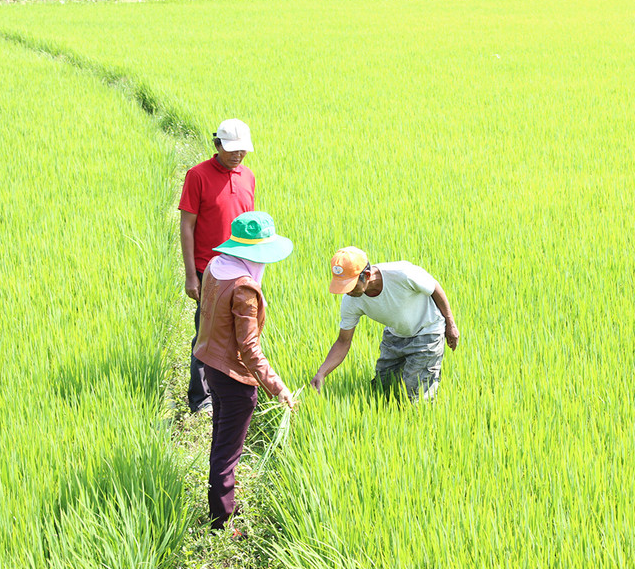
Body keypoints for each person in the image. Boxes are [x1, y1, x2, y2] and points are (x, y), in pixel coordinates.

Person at [193, 211, 295, 530]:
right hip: (234, 378)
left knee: (221, 441)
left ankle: (219, 506)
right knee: (228, 451)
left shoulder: (216, 266)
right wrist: (278, 387)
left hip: (210, 364)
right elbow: (249, 349)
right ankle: (222, 522)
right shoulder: (244, 288)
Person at [310, 247, 459, 401]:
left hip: (427, 332)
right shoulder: (351, 301)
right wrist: (322, 372)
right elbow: (343, 341)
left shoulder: (402, 274)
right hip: (395, 335)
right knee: (382, 389)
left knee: (414, 395)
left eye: (351, 285)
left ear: (366, 275)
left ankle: (418, 418)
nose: (347, 292)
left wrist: (450, 324)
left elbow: (434, 287)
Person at [179, 118, 257, 413]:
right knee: (206, 333)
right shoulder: (197, 175)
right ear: (217, 145)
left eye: (243, 150)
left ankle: (230, 386)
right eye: (232, 149)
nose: (238, 155)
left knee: (240, 332)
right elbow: (187, 226)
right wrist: (191, 276)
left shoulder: (248, 176)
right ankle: (200, 398)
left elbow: (249, 228)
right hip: (208, 269)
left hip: (241, 270)